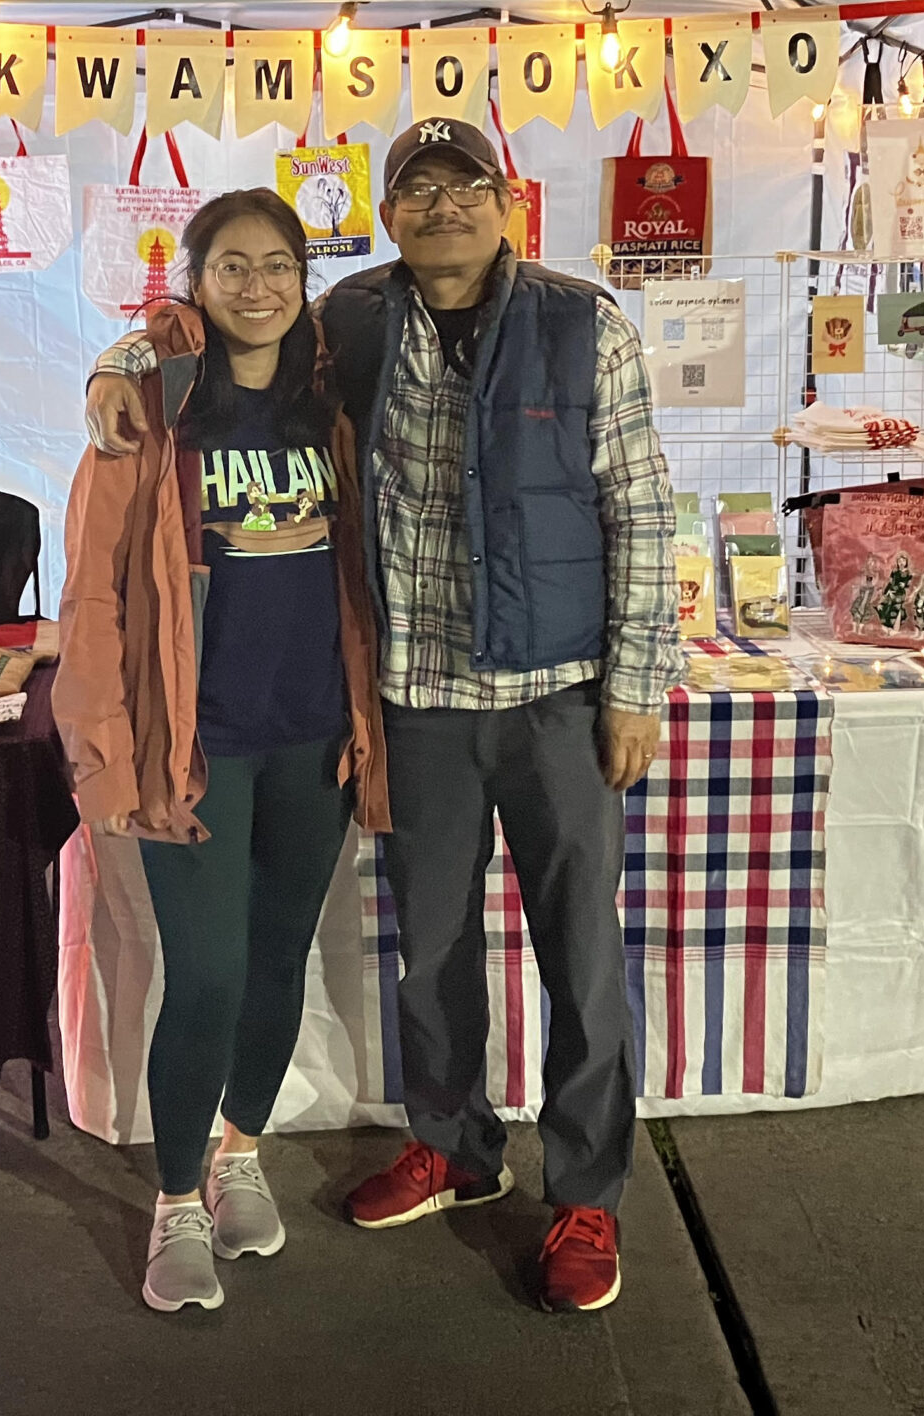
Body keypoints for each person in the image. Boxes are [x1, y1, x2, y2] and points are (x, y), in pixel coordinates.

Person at [88, 116, 682, 1315]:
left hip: (556, 697)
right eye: (419, 190)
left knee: (580, 952)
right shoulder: (349, 323)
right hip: (409, 701)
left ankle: (584, 1196)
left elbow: (643, 511)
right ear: (391, 212)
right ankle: (457, 1150)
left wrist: (633, 686)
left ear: (506, 203)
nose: (443, 208)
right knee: (434, 951)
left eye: (466, 188)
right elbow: (204, 324)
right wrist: (111, 364)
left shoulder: (582, 326)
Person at [54, 189, 389, 1316]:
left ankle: (238, 1152)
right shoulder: (151, 412)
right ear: (194, 280)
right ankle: (173, 1202)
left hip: (314, 736)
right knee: (204, 973)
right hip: (192, 748)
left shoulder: (334, 397)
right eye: (230, 266)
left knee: (276, 962)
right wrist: (102, 752)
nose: (257, 286)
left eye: (278, 263)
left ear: (306, 276)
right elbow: (93, 593)